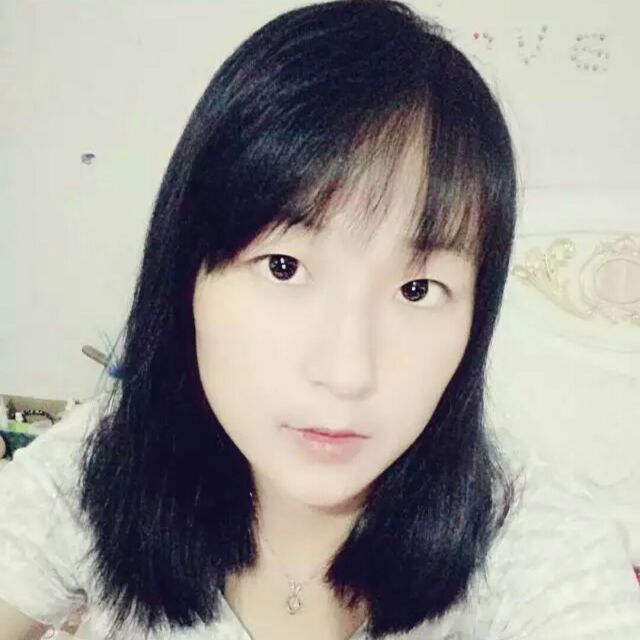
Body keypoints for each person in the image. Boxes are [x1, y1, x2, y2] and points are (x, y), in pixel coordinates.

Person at [1, 1, 639, 639]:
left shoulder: (538, 548)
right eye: (283, 267)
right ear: (187, 273)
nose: (348, 372)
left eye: (418, 289)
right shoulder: (101, 469)